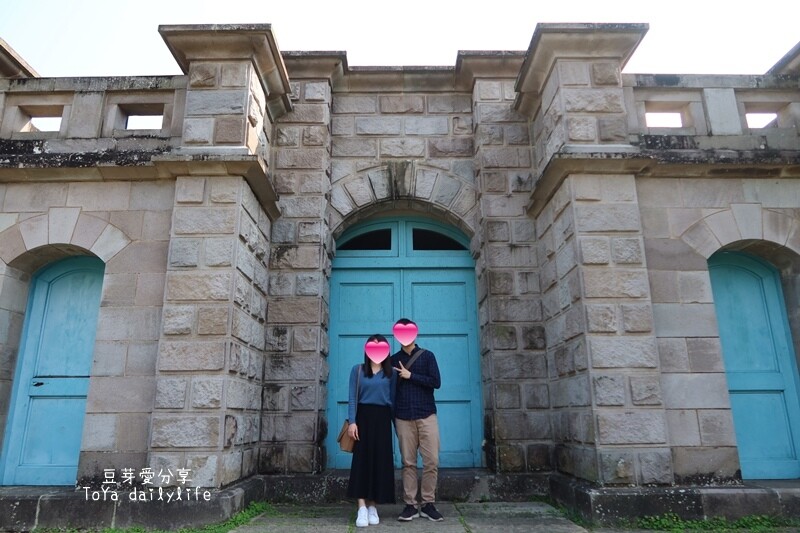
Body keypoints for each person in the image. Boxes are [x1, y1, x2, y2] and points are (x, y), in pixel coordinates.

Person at [391, 318, 444, 522]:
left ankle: (428, 504)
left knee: (432, 461)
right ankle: (410, 505)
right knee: (408, 463)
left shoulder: (427, 356)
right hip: (403, 417)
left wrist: (411, 375)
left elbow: (436, 382)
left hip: (426, 414)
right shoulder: (393, 359)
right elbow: (389, 391)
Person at [346, 334, 397, 527]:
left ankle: (373, 506)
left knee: (379, 462)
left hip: (383, 419)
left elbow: (392, 400)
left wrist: (396, 426)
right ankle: (361, 507)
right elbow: (352, 397)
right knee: (362, 461)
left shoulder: (391, 372)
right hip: (363, 418)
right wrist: (352, 422)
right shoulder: (357, 371)